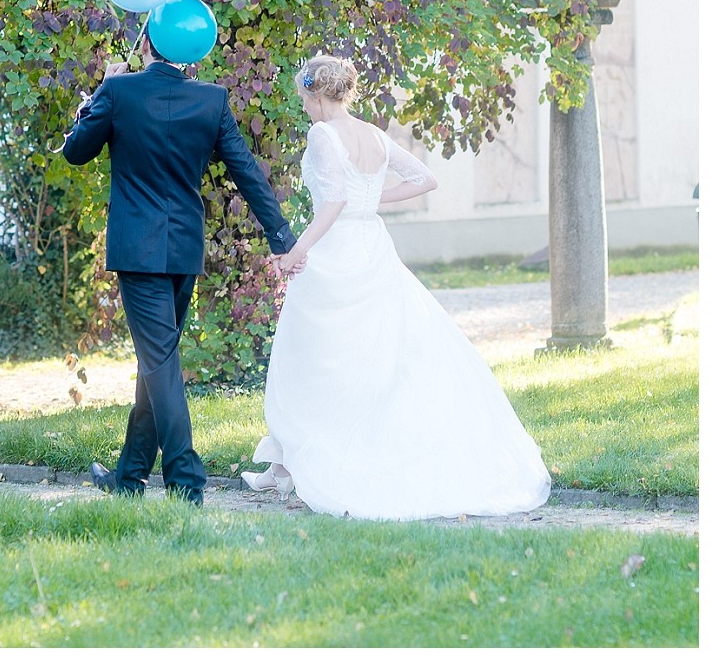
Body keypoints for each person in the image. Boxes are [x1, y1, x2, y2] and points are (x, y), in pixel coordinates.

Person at [242, 54, 551, 521]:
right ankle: (284, 462)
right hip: (373, 244)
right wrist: (375, 198)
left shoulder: (323, 134)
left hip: (336, 248)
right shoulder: (373, 134)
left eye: (304, 96)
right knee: (363, 350)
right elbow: (424, 179)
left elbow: (334, 202)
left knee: (308, 353)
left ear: (316, 94)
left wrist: (295, 251)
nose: (303, 106)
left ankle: (301, 459)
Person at [62, 28, 301, 505]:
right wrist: (282, 237)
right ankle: (129, 478)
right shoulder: (211, 100)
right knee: (158, 360)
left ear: (147, 45)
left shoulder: (120, 90)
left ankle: (186, 482)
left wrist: (97, 95)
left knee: (159, 361)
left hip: (138, 251)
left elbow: (75, 151)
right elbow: (247, 171)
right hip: (184, 250)